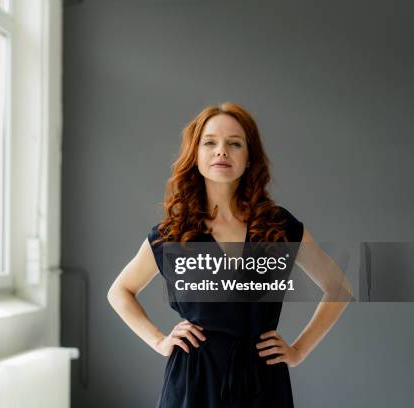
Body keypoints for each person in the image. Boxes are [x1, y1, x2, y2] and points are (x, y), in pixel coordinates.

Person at [107, 102, 351, 407]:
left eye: (234, 143)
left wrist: (299, 350)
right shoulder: (172, 234)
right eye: (210, 142)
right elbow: (120, 291)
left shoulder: (279, 227)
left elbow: (339, 288)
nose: (221, 151)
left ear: (249, 158)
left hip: (262, 381)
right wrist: (159, 340)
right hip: (193, 383)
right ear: (195, 155)